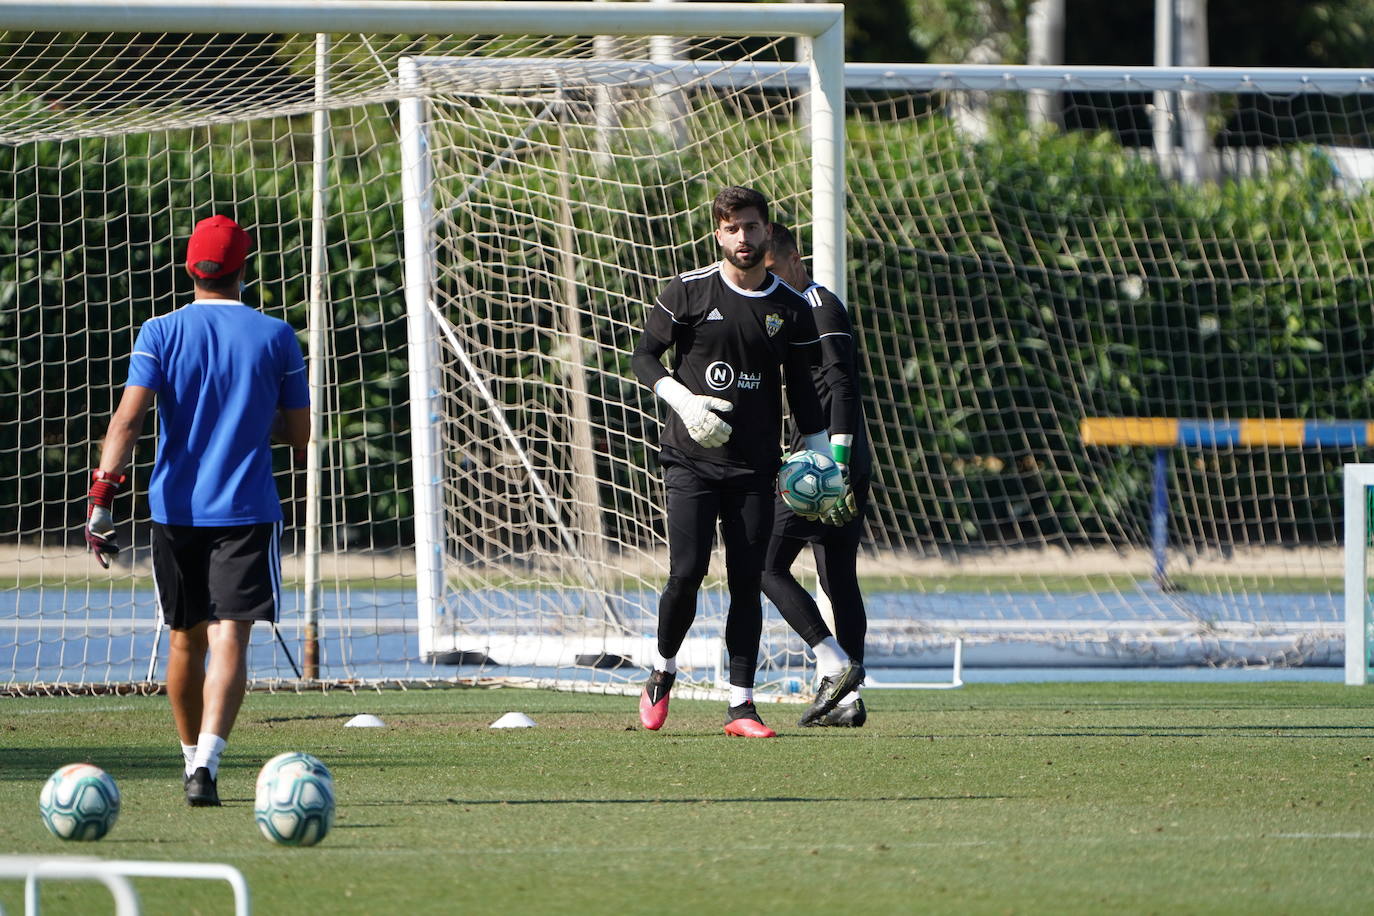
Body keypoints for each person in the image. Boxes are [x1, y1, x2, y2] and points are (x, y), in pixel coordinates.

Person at [86, 215, 310, 805]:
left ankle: (190, 759)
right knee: (231, 636)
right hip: (245, 508)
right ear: (243, 267)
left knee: (185, 640)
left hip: (174, 511)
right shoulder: (277, 336)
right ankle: (208, 761)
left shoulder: (158, 331)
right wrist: (249, 423)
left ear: (191, 267)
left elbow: (128, 420)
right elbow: (300, 433)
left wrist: (102, 500)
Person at [630, 186, 862, 738]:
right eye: (732, 228)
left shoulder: (791, 308)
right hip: (690, 460)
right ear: (718, 233)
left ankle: (741, 706)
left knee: (745, 583)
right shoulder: (686, 292)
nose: (744, 238)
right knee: (686, 575)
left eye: (753, 227)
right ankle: (662, 669)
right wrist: (683, 402)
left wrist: (823, 456)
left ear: (766, 233)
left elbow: (806, 393)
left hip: (756, 467)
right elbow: (643, 356)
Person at [761, 223, 872, 727]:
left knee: (764, 564)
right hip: (829, 458)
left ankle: (834, 663)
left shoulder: (817, 304)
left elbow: (842, 385)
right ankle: (846, 700)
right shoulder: (786, 310)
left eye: (768, 268)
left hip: (826, 463)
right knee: (836, 577)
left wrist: (838, 463)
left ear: (790, 260)